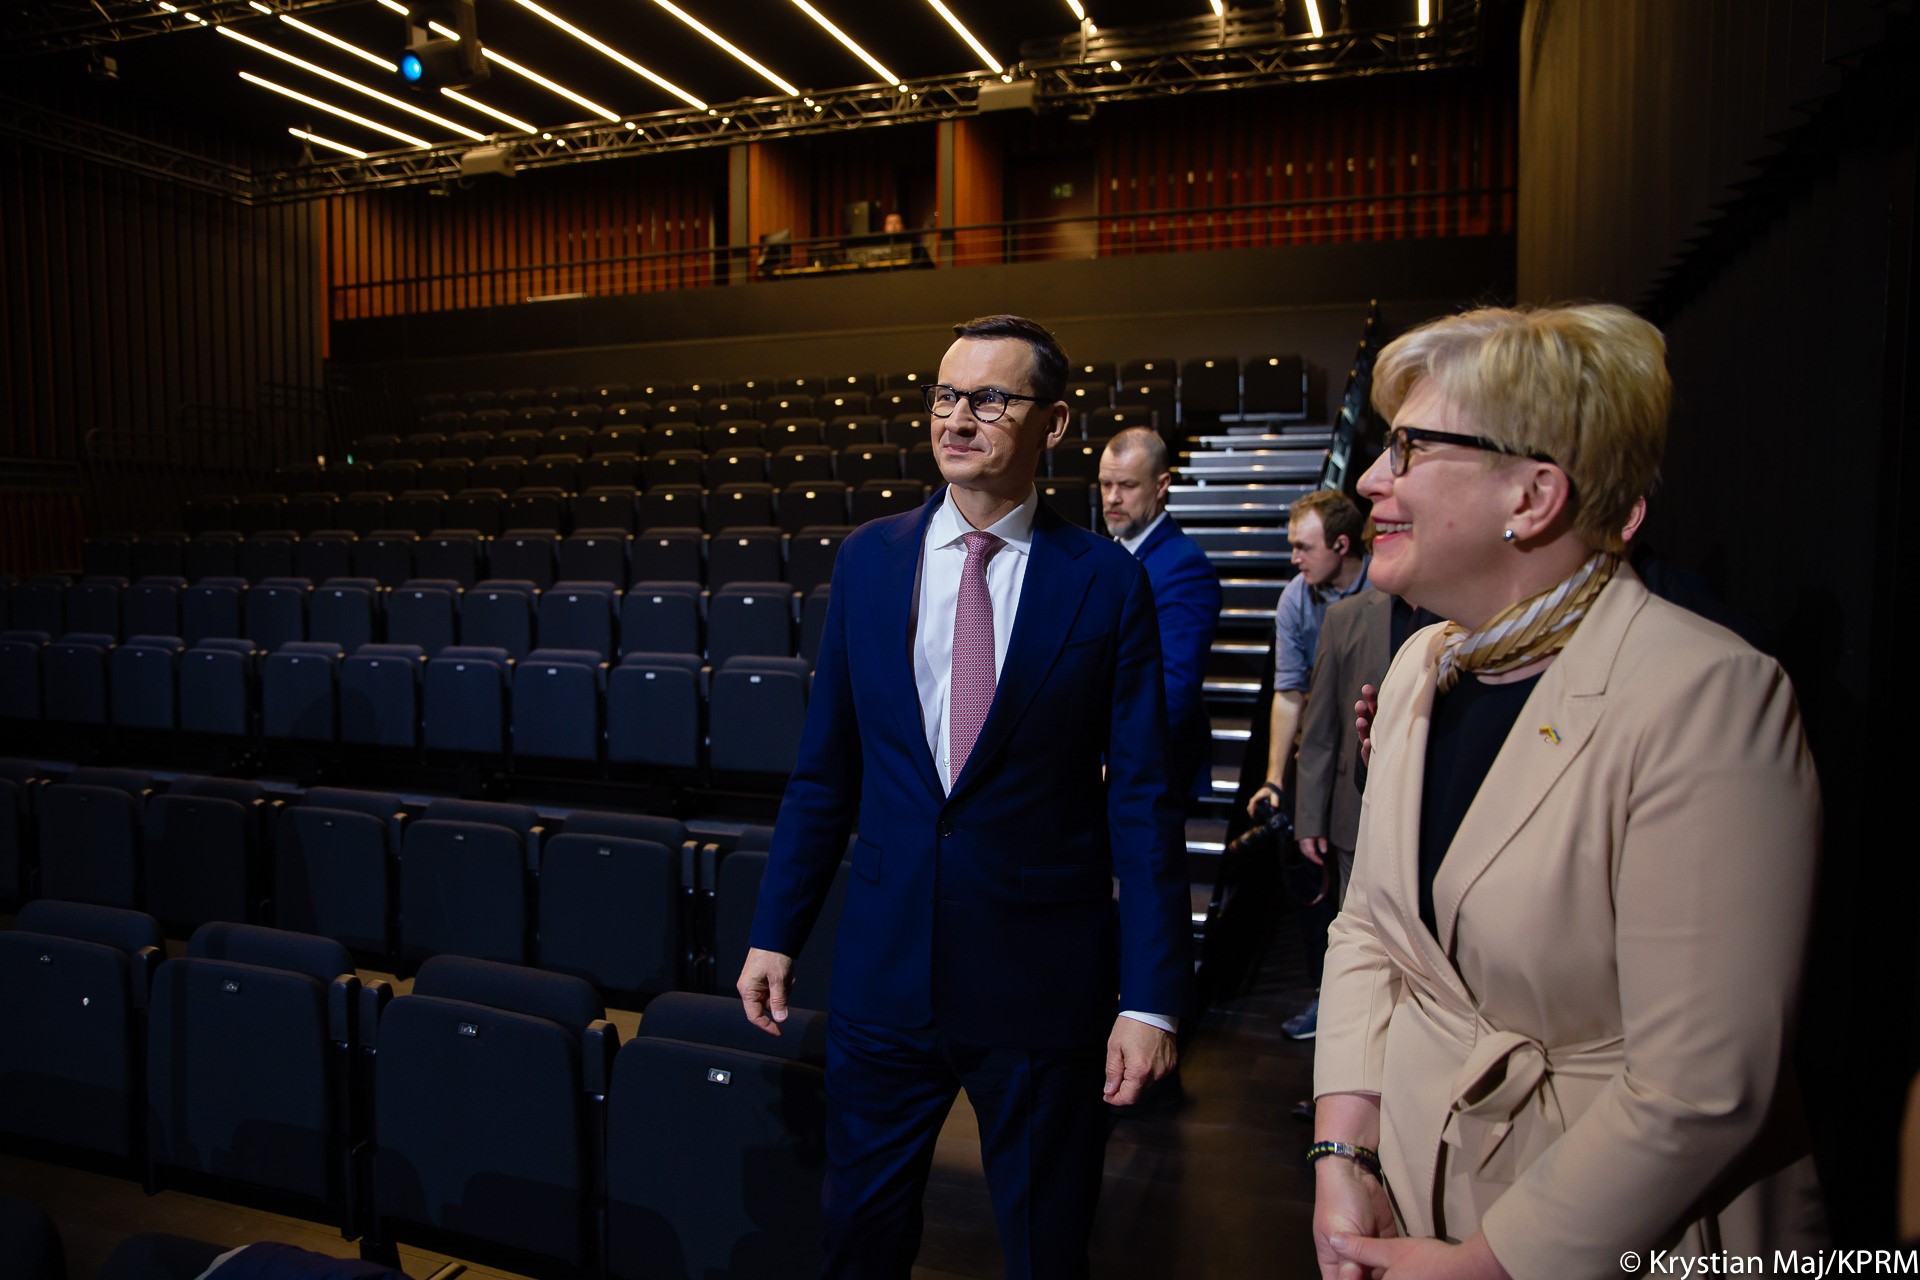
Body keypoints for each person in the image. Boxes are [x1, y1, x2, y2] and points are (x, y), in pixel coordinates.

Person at [1312, 303, 1824, 1280]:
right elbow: (1371, 927)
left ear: (1534, 492)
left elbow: (1699, 1088)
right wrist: (1343, 1149)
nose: (1371, 478)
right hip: (1411, 1187)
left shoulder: (1708, 695)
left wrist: (1485, 1263)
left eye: (1409, 447)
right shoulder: (1421, 665)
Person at [738, 314, 1192, 1280]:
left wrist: (1151, 999)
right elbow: (825, 772)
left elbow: (1143, 802)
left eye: (990, 398)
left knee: (1045, 1249)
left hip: (1041, 983)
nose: (957, 418)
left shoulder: (1107, 583)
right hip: (884, 973)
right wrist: (776, 930)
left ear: (1053, 423)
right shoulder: (869, 558)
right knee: (858, 1239)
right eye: (946, 395)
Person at [1099, 426, 1222, 799]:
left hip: (1145, 772)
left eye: (1127, 485)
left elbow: (1172, 689)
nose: (1113, 497)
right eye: (1105, 484)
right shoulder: (1107, 553)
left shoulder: (1185, 566)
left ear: (1161, 484)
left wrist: (1111, 762)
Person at [1294, 587, 1434, 904]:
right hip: (1356, 810)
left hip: (1431, 810)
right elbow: (1320, 726)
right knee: (1356, 920)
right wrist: (1310, 818)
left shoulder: (1455, 608)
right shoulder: (1344, 616)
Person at [1248, 488, 1370, 820]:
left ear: (1341, 545)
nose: (1294, 558)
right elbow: (1289, 691)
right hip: (1322, 743)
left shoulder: (1384, 589)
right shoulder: (1295, 598)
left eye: (1304, 547)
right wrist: (1274, 779)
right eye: (1293, 546)